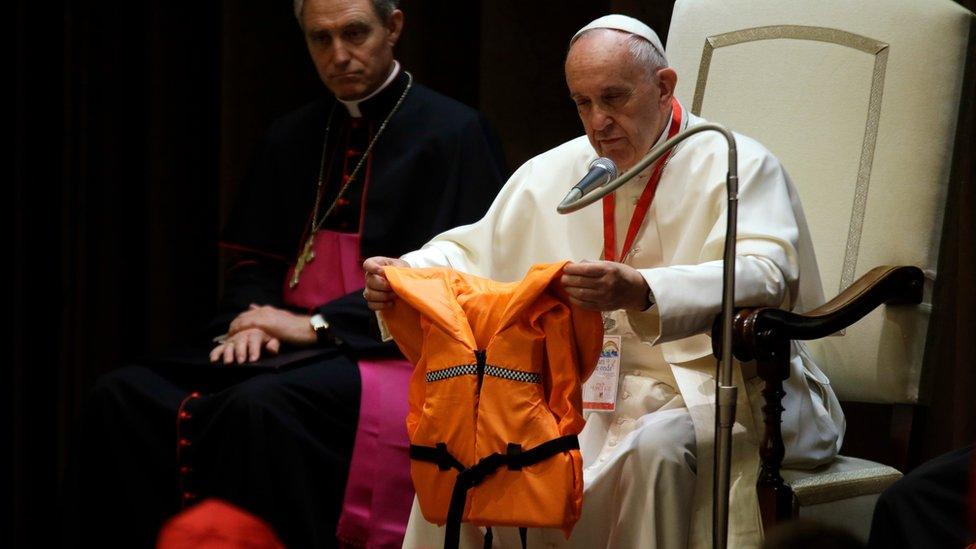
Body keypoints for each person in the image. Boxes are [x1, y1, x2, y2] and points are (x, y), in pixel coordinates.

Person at [364, 15, 844, 548]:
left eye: (614, 98)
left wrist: (644, 290)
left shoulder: (733, 161)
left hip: (708, 387)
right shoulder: (560, 168)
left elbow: (768, 272)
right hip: (586, 394)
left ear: (663, 87)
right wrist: (405, 274)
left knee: (653, 453)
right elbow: (473, 249)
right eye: (582, 102)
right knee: (475, 450)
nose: (598, 122)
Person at [64, 0, 506, 547]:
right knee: (120, 395)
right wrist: (247, 321)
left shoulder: (457, 133)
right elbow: (254, 261)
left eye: (354, 33)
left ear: (393, 27)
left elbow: (464, 275)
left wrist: (319, 324)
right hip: (282, 338)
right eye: (321, 39)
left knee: (259, 408)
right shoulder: (292, 134)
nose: (339, 55)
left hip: (391, 349)